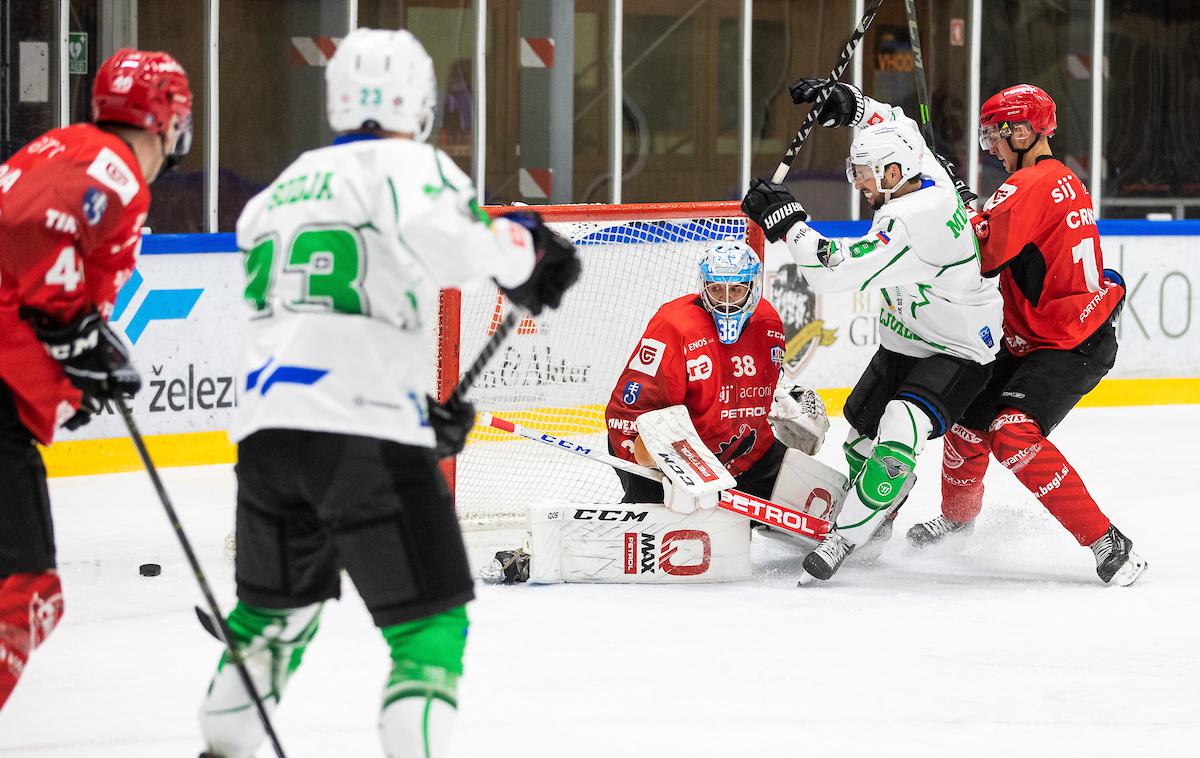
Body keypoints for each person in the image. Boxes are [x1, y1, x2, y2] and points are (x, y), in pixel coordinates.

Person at [196, 29, 579, 758]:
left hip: (267, 438)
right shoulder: (410, 166)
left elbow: (327, 315)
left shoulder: (277, 191)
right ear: (423, 102)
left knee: (271, 618)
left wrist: (410, 414)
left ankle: (220, 747)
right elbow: (468, 247)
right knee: (428, 629)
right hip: (363, 432)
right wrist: (527, 249)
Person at [741, 78, 1004, 582]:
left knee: (900, 428)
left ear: (892, 171)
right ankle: (886, 505)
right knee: (860, 434)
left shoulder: (913, 217)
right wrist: (851, 101)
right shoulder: (917, 162)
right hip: (904, 339)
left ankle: (847, 535)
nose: (858, 183)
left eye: (862, 174)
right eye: (854, 170)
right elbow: (891, 120)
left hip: (957, 348)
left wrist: (789, 220)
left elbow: (835, 271)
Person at [0, 49, 192, 711]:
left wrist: (69, 366)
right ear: (171, 118)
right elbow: (29, 229)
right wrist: (69, 329)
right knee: (27, 597)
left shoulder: (63, 147)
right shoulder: (112, 171)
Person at [904, 84, 1147, 587]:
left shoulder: (1025, 186)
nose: (989, 144)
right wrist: (977, 210)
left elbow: (982, 256)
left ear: (1023, 131)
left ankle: (1107, 541)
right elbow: (1011, 233)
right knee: (968, 418)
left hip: (1068, 343)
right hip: (1049, 334)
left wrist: (951, 208)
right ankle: (958, 520)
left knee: (1012, 432)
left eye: (995, 133)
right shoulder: (1057, 179)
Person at [604, 240, 831, 513]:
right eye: (716, 289)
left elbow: (760, 378)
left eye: (735, 290)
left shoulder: (768, 321)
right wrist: (664, 466)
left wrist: (780, 399)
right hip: (672, 458)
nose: (725, 301)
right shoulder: (674, 326)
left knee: (821, 506)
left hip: (743, 452)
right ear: (704, 287)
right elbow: (629, 409)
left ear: (753, 287)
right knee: (669, 525)